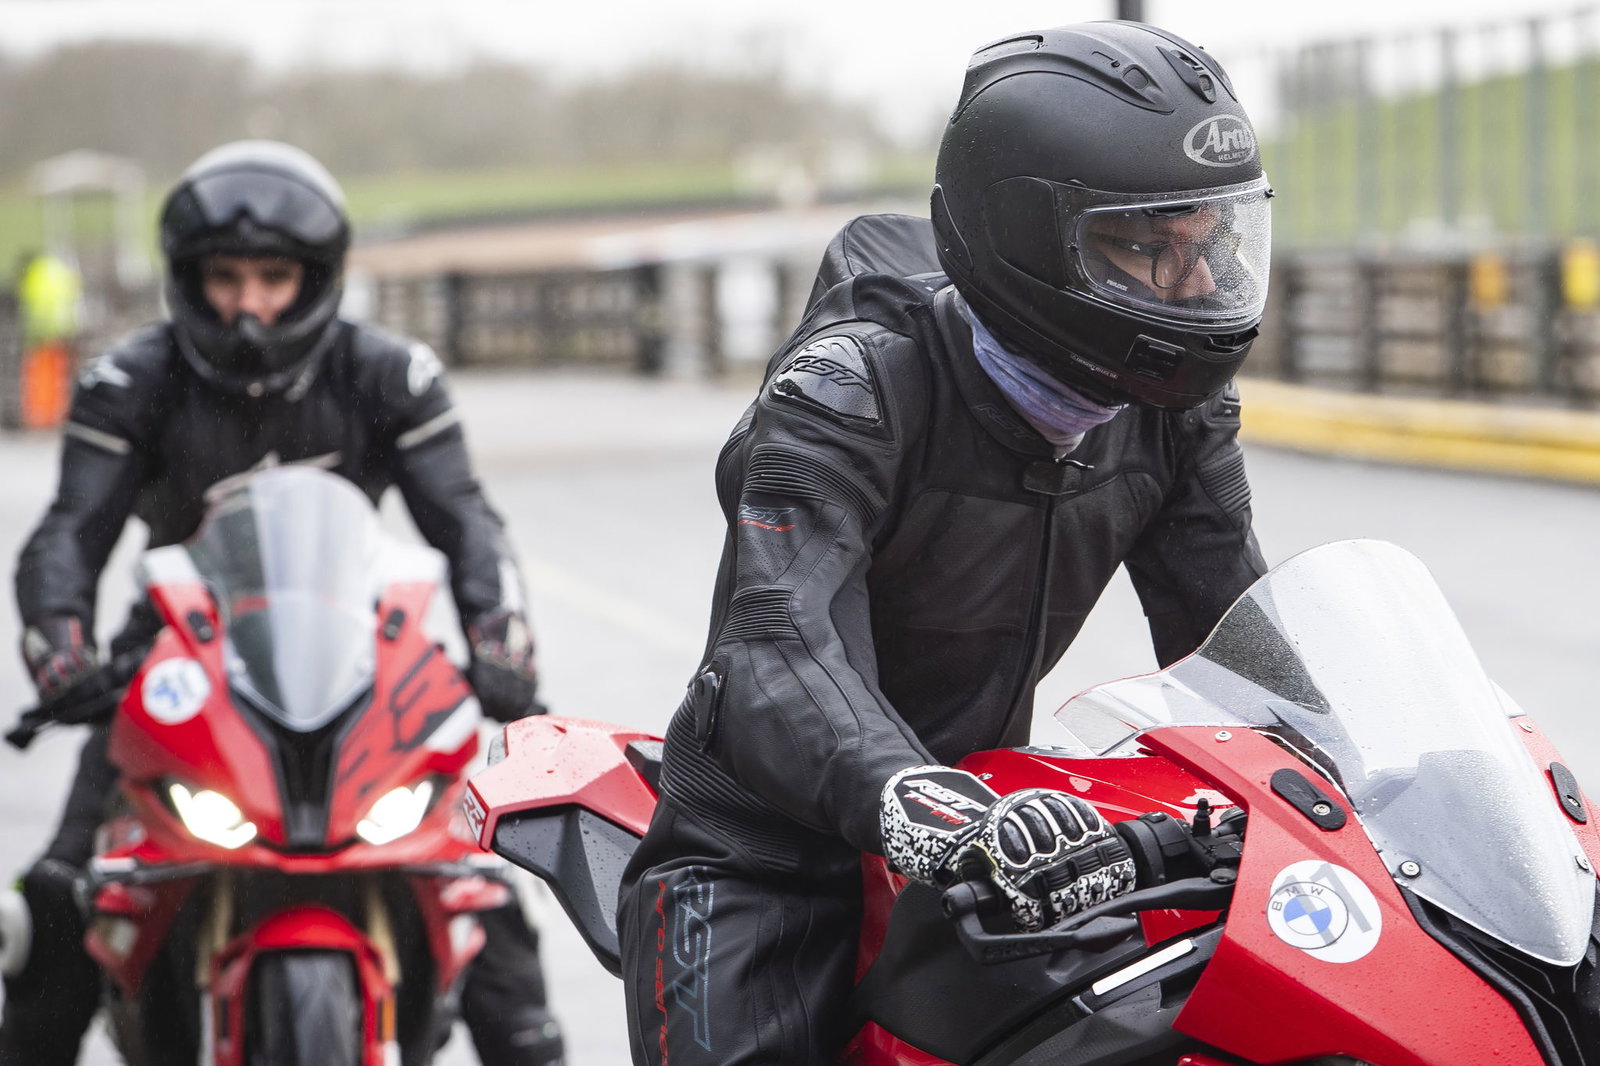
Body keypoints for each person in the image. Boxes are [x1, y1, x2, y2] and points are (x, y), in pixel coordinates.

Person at [617, 21, 1273, 1064]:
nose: (1194, 290)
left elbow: (1239, 647)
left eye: (1210, 244)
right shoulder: (851, 387)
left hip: (999, 835)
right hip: (771, 849)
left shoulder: (1170, 410)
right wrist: (919, 802)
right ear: (1020, 236)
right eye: (1147, 247)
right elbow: (782, 644)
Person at [3, 141, 562, 1066]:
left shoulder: (392, 374)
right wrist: (58, 643)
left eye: (274, 275)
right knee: (59, 899)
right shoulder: (128, 382)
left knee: (483, 884)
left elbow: (469, 524)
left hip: (359, 648)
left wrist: (501, 640)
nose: (249, 303)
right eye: (224, 277)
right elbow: (69, 530)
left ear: (318, 278)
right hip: (171, 661)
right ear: (187, 279)